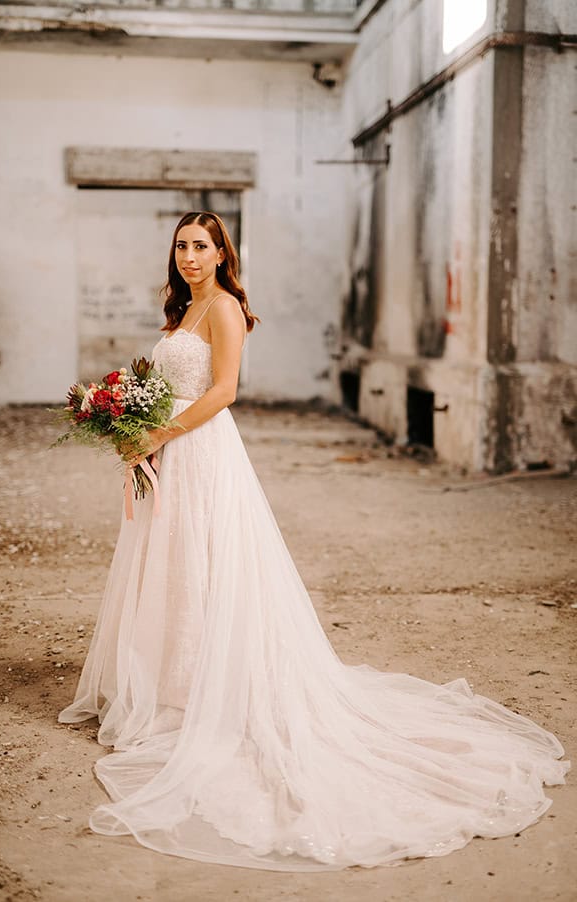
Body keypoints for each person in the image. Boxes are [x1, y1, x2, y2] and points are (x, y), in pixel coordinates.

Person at [59, 211, 568, 871]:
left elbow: (224, 391)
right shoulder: (182, 312)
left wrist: (156, 434)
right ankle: (170, 689)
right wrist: (130, 426)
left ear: (221, 253)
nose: (190, 256)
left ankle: (206, 693)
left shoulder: (225, 309)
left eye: (202, 246)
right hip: (169, 452)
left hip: (202, 452)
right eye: (181, 246)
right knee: (174, 567)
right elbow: (164, 387)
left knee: (208, 566)